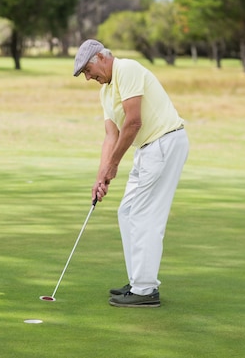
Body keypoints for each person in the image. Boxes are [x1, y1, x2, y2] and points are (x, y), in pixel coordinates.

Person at [73, 39, 189, 308]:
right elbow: (110, 134)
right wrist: (101, 175)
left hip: (164, 142)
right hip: (147, 150)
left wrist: (114, 165)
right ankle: (138, 280)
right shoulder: (106, 91)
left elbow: (133, 121)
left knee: (143, 214)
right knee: (127, 212)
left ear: (101, 57)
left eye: (88, 71)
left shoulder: (127, 69)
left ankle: (145, 289)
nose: (89, 78)